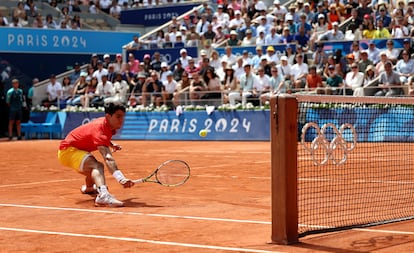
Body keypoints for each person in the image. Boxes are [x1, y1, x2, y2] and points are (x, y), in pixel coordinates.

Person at [58, 103, 134, 207]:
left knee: (91, 164)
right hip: (68, 151)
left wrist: (110, 144)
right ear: (108, 116)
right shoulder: (100, 129)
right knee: (97, 166)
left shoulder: (108, 125)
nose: (122, 120)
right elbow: (108, 157)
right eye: (118, 116)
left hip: (76, 150)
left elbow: (96, 136)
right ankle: (102, 196)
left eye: (123, 116)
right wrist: (120, 178)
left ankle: (89, 187)